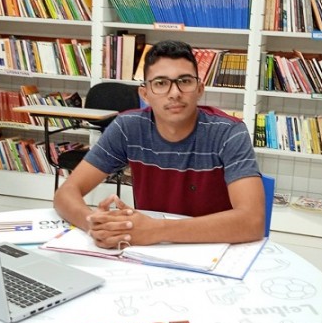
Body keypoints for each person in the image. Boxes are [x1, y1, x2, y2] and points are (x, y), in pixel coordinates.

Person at [54, 40, 265, 249]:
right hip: (151, 252)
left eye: (185, 81)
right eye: (161, 83)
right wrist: (94, 224)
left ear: (200, 88)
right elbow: (66, 192)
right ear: (144, 94)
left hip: (215, 250)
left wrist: (157, 230)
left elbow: (252, 221)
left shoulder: (228, 132)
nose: (174, 93)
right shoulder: (128, 128)